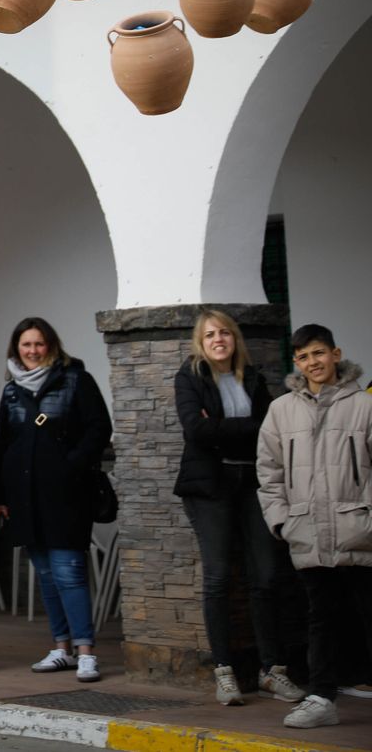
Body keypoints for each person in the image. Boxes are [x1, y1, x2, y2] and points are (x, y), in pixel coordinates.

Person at [172, 309, 305, 706]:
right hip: (209, 487)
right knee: (217, 578)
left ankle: (271, 672)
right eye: (210, 334)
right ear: (201, 341)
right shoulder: (189, 376)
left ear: (235, 339)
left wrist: (222, 429)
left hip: (252, 484)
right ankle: (224, 672)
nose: (218, 339)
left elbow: (269, 428)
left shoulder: (253, 378)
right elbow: (196, 430)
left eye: (225, 333)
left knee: (265, 576)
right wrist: (244, 428)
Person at [256, 323, 372, 730]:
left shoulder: (364, 405)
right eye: (304, 357)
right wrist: (282, 522)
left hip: (362, 532)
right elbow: (268, 473)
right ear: (296, 363)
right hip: (308, 534)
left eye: (319, 353)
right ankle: (322, 697)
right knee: (319, 617)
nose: (313, 362)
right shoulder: (281, 410)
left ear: (336, 354)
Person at [0, 317, 111, 683]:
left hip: (67, 496)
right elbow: (2, 445)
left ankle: (86, 650)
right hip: (24, 498)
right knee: (45, 574)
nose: (32, 351)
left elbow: (99, 428)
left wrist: (70, 466)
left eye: (38, 344)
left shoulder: (76, 380)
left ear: (51, 346)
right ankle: (61, 648)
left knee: (69, 572)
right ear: (16, 349)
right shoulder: (12, 391)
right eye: (26, 345)